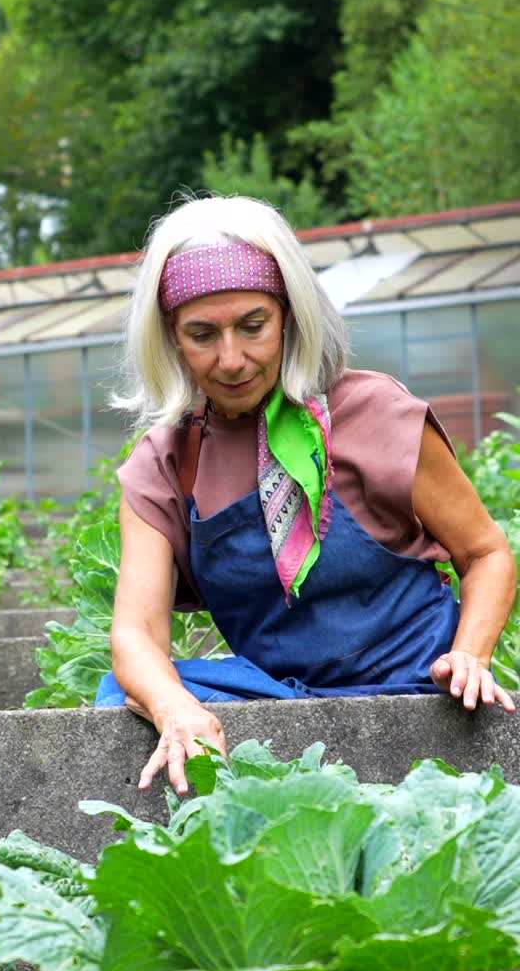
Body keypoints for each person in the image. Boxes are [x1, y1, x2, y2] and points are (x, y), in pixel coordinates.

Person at [96, 195, 517, 793]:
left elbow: (486, 553)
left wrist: (471, 655)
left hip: (424, 686)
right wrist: (174, 708)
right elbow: (136, 634)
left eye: (253, 326)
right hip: (281, 702)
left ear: (289, 317)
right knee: (128, 690)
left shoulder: (375, 414)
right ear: (170, 338)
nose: (232, 359)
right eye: (202, 335)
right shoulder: (168, 464)